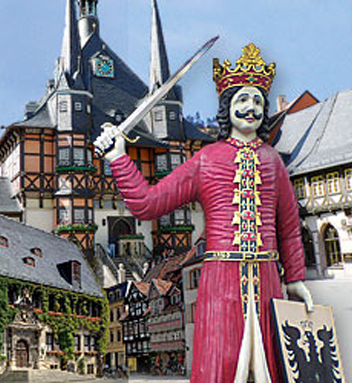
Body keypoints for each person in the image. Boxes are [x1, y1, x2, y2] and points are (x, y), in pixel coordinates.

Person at [95, 43, 313, 383]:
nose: (251, 107)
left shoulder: (273, 162)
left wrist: (296, 277)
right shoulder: (207, 160)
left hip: (268, 277)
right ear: (228, 108)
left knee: (273, 364)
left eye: (257, 100)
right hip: (220, 280)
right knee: (221, 364)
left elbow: (288, 225)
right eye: (242, 99)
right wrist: (119, 158)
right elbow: (148, 203)